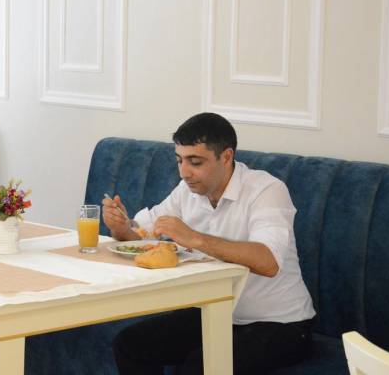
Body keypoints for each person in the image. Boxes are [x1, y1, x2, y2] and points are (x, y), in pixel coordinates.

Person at [104, 112, 316, 375]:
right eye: (179, 160)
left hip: (280, 324)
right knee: (130, 345)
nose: (184, 172)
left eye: (195, 162)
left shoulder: (266, 190)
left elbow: (269, 261)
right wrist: (121, 228)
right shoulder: (187, 191)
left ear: (226, 157)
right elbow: (142, 235)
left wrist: (195, 238)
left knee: (198, 368)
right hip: (215, 311)